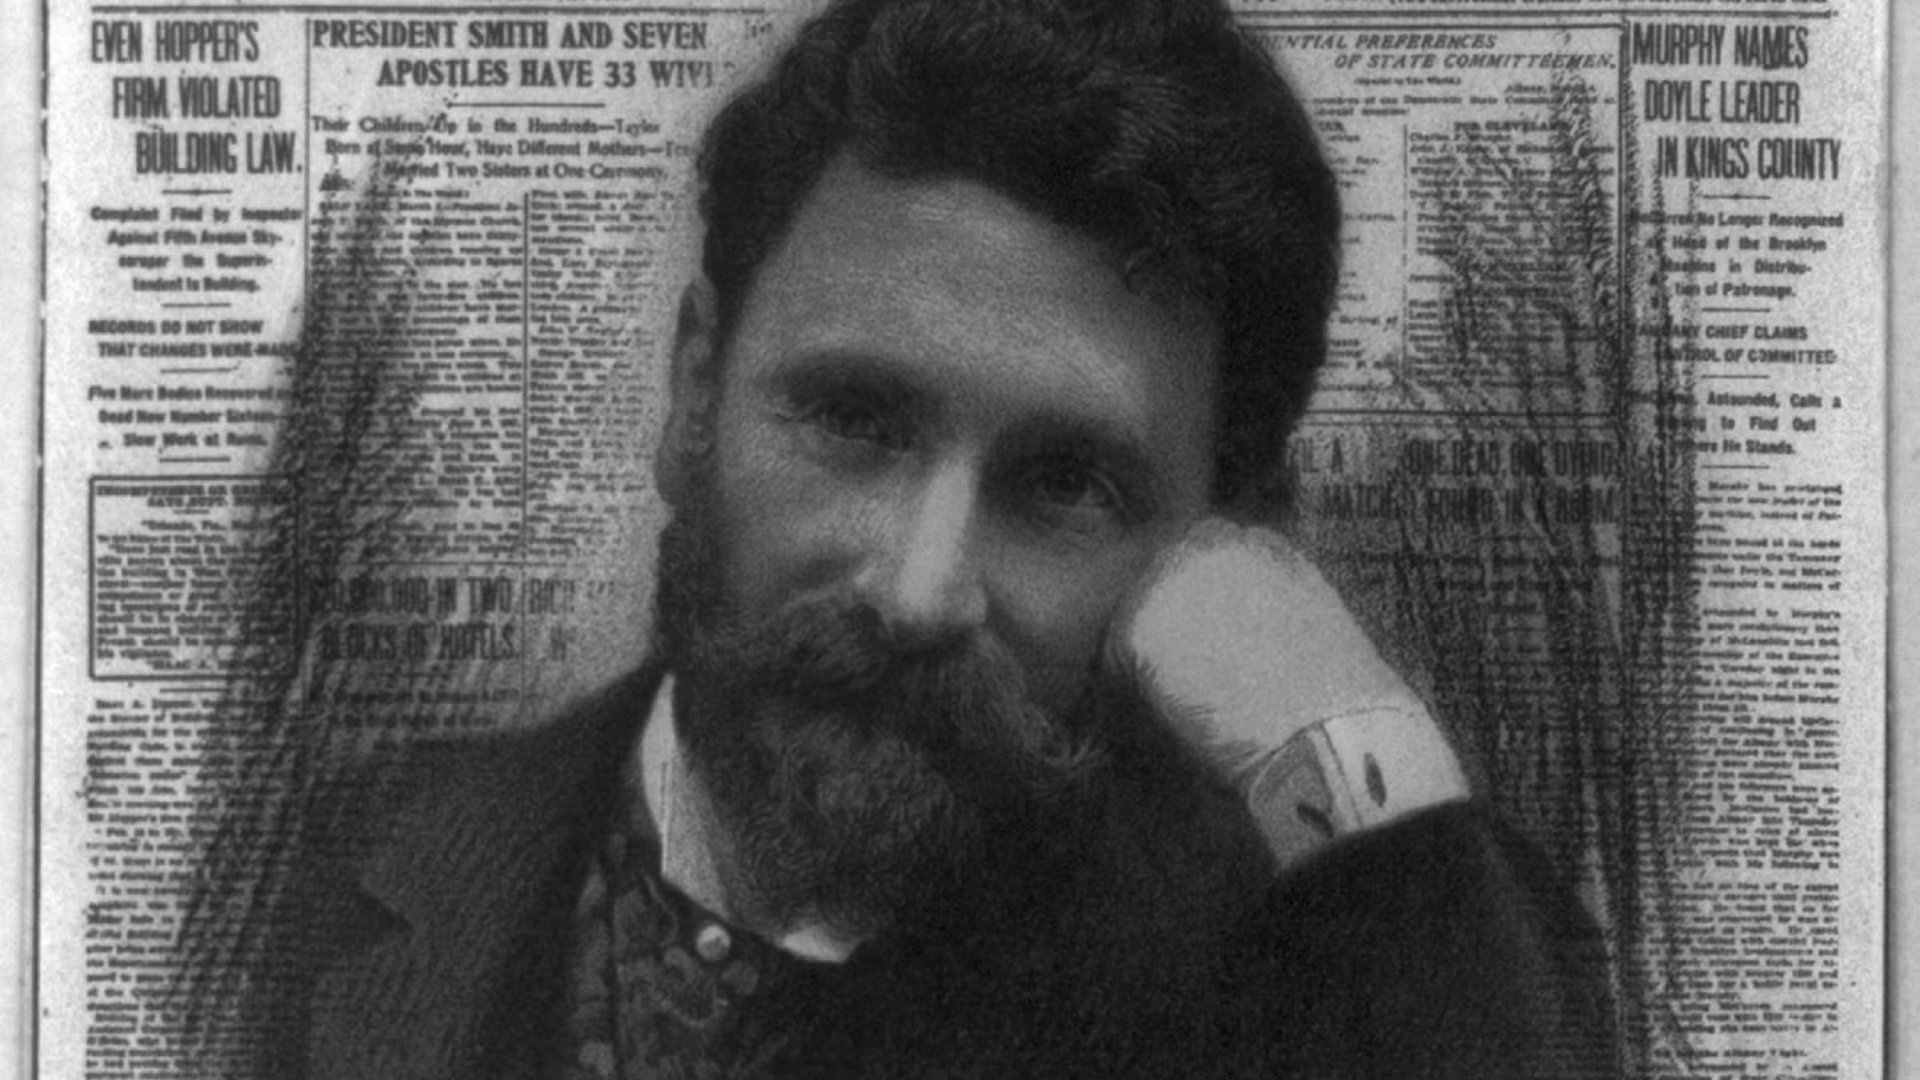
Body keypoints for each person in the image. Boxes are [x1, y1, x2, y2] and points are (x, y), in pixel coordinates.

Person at [231, 0, 1619, 1076]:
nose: (916, 590)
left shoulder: (1346, 970)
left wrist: (1340, 734)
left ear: (1222, 541)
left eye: (1064, 483)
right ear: (696, 393)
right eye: (852, 419)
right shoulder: (326, 869)